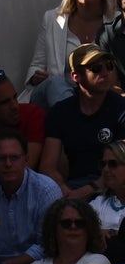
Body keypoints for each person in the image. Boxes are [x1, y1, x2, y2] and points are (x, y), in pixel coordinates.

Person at [0, 131, 64, 264]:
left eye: (14, 158)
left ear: (26, 160)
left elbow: (48, 243)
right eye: (1, 158)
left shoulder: (47, 191)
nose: (8, 164)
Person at [43, 46, 125, 202]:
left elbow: (122, 165)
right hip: (71, 188)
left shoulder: (121, 109)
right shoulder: (60, 112)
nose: (105, 73)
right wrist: (64, 190)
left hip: (113, 189)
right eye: (96, 68)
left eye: (109, 66)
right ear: (76, 76)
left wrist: (89, 189)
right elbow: (48, 167)